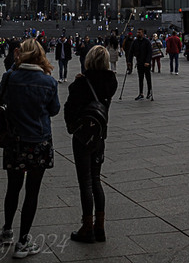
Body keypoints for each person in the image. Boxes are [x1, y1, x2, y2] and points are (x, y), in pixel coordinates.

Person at [0, 38, 60, 258]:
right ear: (40, 55)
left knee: (13, 187)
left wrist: (14, 67)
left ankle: (7, 230)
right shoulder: (48, 81)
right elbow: (54, 110)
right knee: (32, 191)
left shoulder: (9, 78)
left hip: (14, 141)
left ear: (20, 54)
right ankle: (23, 241)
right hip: (38, 141)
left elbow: (0, 99)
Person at [64, 45, 117, 243]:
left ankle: (87, 228)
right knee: (96, 180)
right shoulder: (111, 81)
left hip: (82, 138)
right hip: (100, 137)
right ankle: (100, 227)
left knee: (85, 182)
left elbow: (69, 111)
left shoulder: (80, 84)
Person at [127, 28, 152, 100]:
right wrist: (129, 61)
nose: (138, 34)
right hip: (139, 62)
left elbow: (149, 52)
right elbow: (131, 52)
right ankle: (141, 93)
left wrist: (148, 61)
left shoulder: (147, 41)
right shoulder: (135, 42)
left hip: (146, 63)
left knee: (148, 78)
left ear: (143, 33)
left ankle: (149, 91)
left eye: (139, 32)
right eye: (137, 32)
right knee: (140, 78)